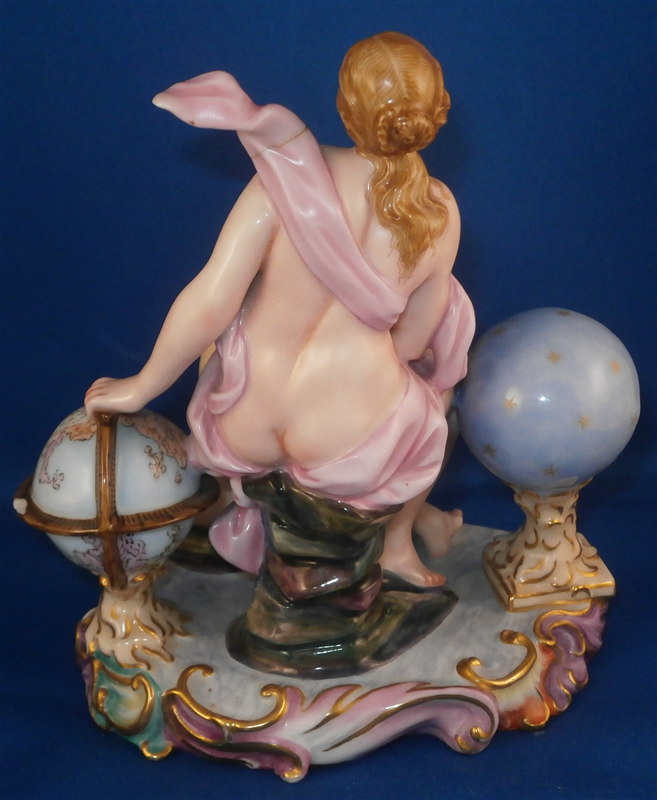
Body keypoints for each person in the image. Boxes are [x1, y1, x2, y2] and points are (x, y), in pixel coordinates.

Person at [85, 32, 474, 587]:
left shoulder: (280, 179)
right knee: (436, 400)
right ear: (437, 114)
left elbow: (211, 300)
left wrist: (141, 385)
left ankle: (240, 502)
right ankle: (396, 545)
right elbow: (412, 343)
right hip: (348, 440)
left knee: (226, 339)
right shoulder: (441, 212)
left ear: (344, 107)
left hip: (243, 424)